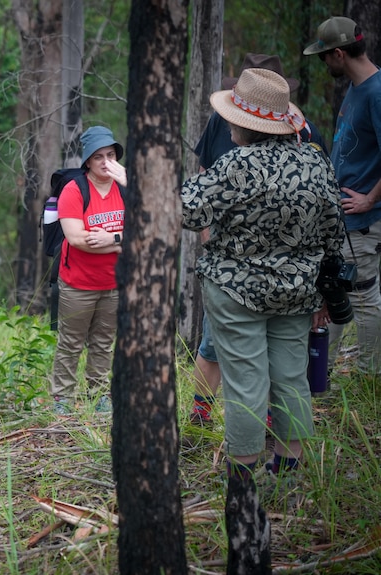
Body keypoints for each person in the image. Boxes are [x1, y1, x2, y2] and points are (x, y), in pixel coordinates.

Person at [181, 68, 344, 488]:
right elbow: (334, 231)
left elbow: (189, 212)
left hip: (235, 291)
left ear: (246, 124)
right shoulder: (315, 161)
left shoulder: (237, 164)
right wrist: (326, 292)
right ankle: (287, 475)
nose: (228, 124)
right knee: (291, 378)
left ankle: (242, 480)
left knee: (245, 381)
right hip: (298, 292)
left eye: (233, 118)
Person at [304, 17, 381, 376]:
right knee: (335, 290)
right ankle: (321, 377)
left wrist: (370, 199)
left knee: (364, 296)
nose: (324, 63)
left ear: (339, 53)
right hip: (343, 220)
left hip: (363, 221)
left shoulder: (376, 93)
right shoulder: (357, 87)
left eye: (324, 56)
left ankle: (368, 376)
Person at [50, 126, 125, 415]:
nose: (106, 162)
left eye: (111, 155)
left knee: (104, 343)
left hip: (114, 283)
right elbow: (77, 239)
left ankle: (99, 395)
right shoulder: (74, 190)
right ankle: (62, 398)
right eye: (98, 157)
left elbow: (147, 230)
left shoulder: (126, 188)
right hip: (78, 283)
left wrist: (111, 238)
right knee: (70, 343)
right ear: (88, 161)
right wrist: (121, 244)